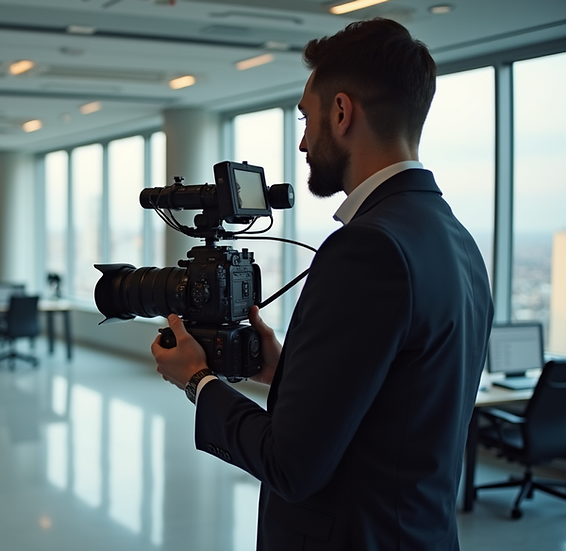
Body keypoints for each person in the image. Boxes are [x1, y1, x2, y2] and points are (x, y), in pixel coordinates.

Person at [152, 18, 493, 550]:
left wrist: (197, 381)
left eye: (306, 119)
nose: (305, 141)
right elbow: (402, 403)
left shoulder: (368, 248)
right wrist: (285, 369)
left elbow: (291, 467)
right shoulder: (456, 240)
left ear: (341, 112)